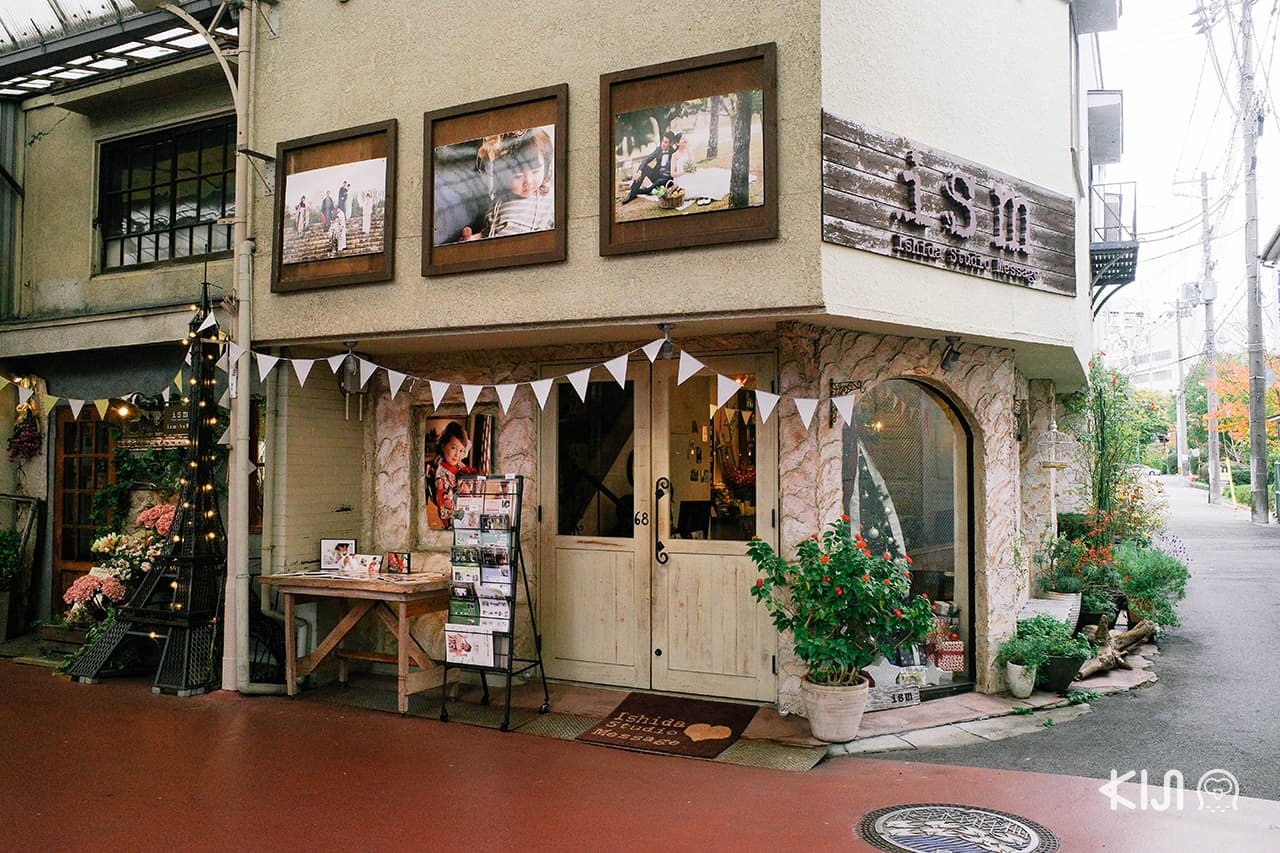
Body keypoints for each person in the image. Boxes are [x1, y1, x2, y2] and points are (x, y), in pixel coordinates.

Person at [462, 129, 554, 240]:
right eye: (518, 176)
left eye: (535, 171)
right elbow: (489, 232)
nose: (528, 182)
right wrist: (472, 239)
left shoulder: (549, 202)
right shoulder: (498, 202)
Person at [426, 421, 475, 529]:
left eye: (461, 450)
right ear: (443, 446)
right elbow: (445, 511)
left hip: (468, 511)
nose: (457, 455)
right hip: (456, 522)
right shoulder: (441, 474)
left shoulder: (458, 465)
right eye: (453, 448)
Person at [621, 131, 677, 204]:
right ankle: (632, 194)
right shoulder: (659, 149)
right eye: (663, 141)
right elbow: (646, 159)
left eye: (666, 142)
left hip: (667, 180)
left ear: (671, 144)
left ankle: (642, 190)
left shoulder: (674, 153)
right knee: (644, 168)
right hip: (657, 175)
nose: (663, 144)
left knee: (649, 190)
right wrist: (639, 171)